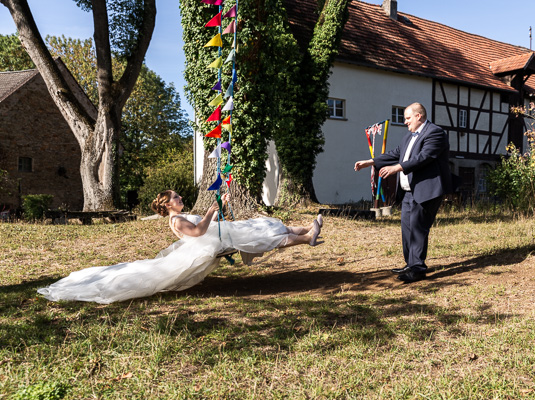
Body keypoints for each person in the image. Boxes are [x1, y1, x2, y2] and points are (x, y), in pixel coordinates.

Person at [37, 190, 323, 304]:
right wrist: (212, 211)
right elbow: (198, 232)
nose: (180, 197)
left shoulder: (179, 215)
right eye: (176, 196)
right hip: (214, 242)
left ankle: (308, 229)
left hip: (224, 234)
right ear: (168, 204)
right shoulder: (177, 222)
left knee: (263, 226)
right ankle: (306, 237)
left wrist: (218, 211)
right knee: (260, 236)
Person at [354, 102, 452, 283]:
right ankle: (410, 264)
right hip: (408, 191)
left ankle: (418, 269)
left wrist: (396, 168)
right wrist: (371, 162)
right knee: (407, 228)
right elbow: (395, 153)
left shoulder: (435, 133)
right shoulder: (408, 137)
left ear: (419, 116)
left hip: (426, 190)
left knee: (418, 228)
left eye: (407, 118)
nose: (405, 122)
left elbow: (424, 157)